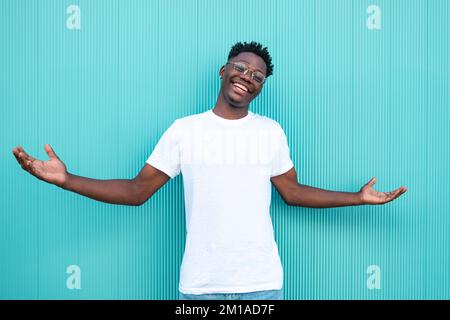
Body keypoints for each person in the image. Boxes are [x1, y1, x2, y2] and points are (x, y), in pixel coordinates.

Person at [12, 41, 407, 300]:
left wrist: (357, 197)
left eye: (257, 77)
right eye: (241, 68)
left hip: (262, 287)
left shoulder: (270, 132)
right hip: (200, 288)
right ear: (223, 70)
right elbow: (136, 192)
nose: (247, 78)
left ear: (260, 87)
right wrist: (66, 180)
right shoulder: (185, 130)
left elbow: (294, 192)